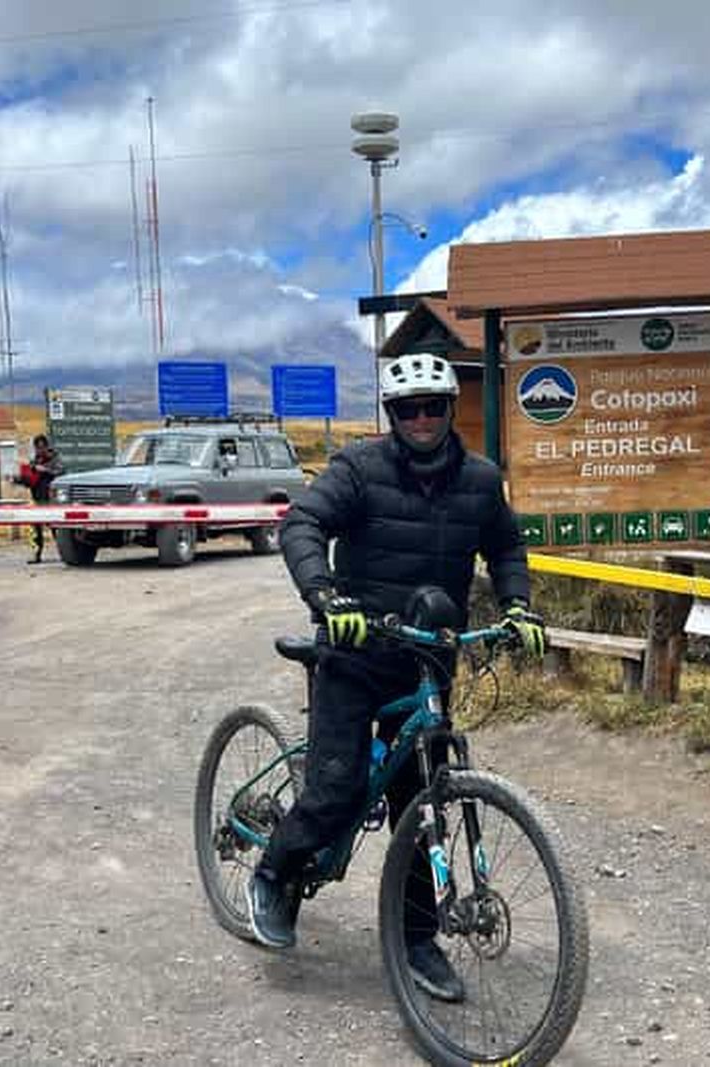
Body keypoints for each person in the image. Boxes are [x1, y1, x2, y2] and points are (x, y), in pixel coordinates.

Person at [247, 352, 545, 1001]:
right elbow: (302, 522)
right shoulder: (360, 468)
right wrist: (325, 597)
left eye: (432, 405)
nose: (421, 418)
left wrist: (519, 604)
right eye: (407, 408)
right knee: (337, 787)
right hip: (356, 657)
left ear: (448, 409)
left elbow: (506, 546)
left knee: (426, 799)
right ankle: (274, 874)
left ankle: (416, 938)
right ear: (391, 414)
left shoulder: (481, 480)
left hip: (429, 660)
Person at [13, 434, 64, 564]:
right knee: (35, 530)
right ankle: (36, 555)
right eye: (37, 448)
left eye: (42, 447)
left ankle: (65, 554)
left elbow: (60, 472)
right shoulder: (35, 461)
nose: (40, 450)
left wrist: (45, 470)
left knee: (56, 530)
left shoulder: (55, 459)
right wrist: (19, 479)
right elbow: (31, 481)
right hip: (37, 499)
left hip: (51, 500)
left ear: (47, 446)